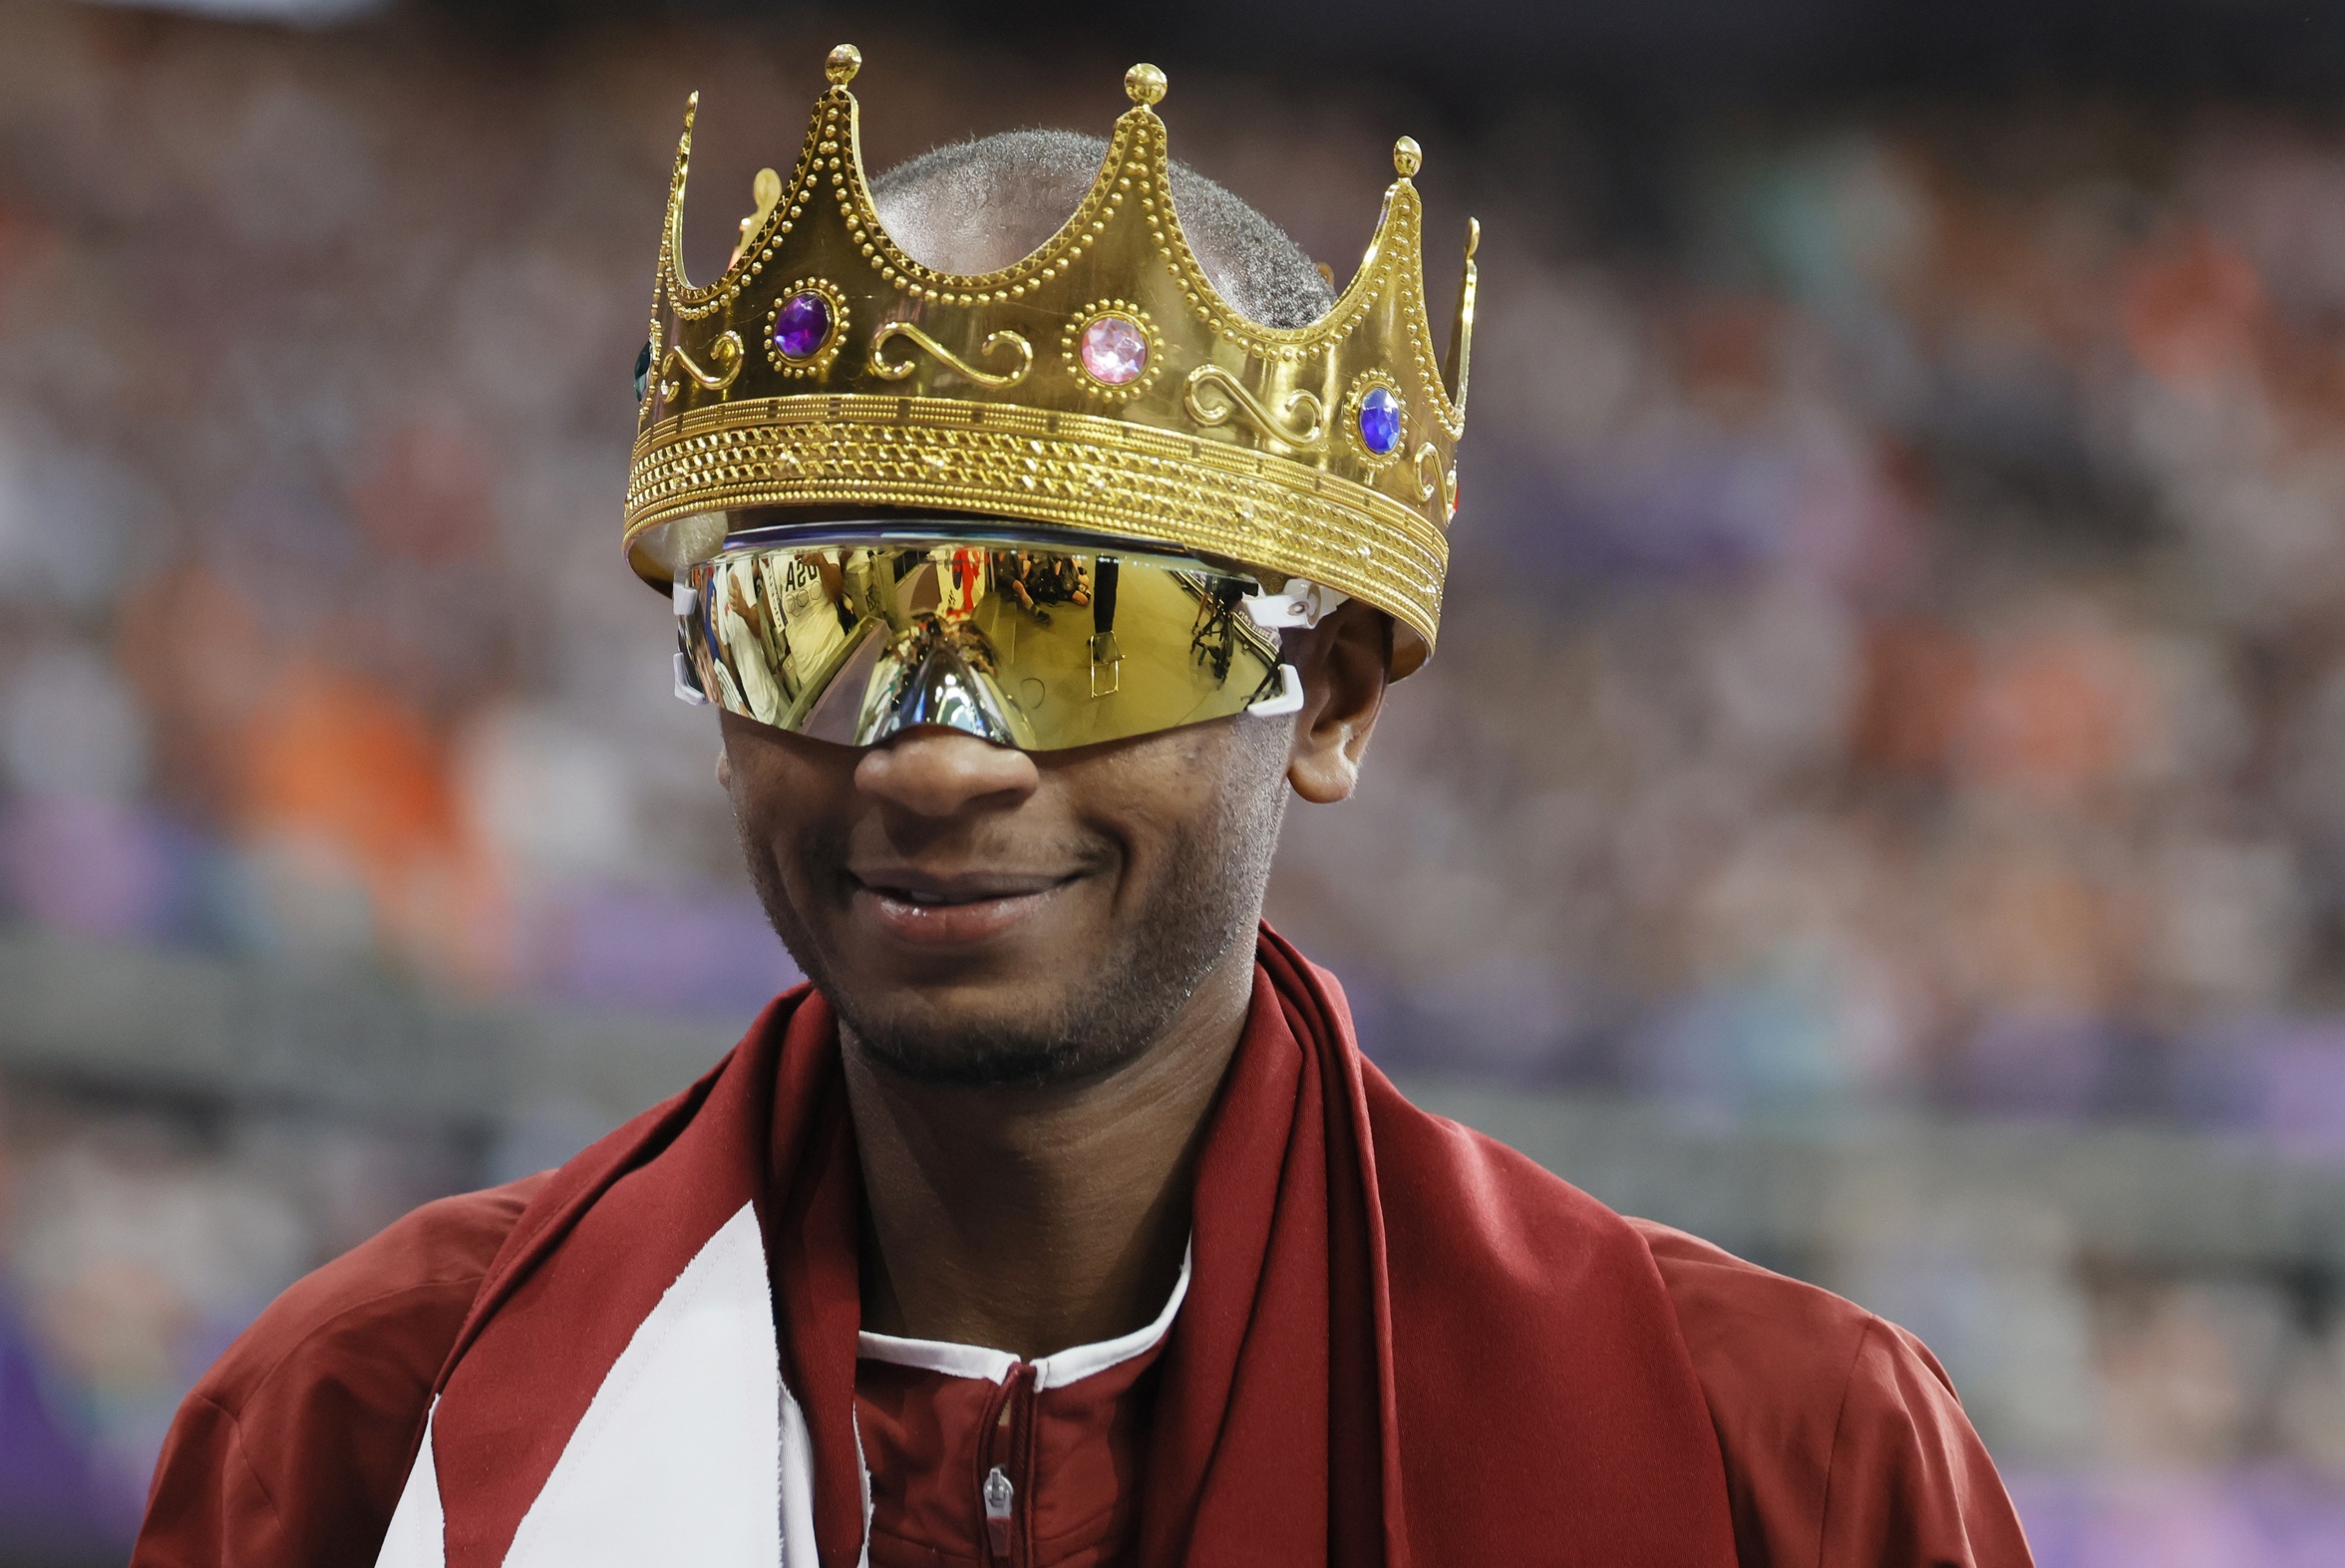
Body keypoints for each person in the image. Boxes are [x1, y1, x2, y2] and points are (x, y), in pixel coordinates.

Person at [133, 46, 2034, 1568]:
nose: (936, 749)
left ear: (1335, 696)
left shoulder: (1785, 1471)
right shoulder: (359, 1434)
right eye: (819, 615)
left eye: (1076, 622)